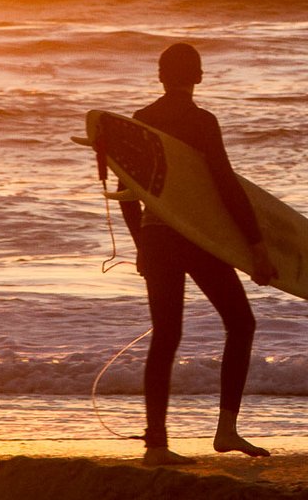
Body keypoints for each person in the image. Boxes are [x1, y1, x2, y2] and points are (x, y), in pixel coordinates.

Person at [118, 42, 277, 466]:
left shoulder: (141, 120)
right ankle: (226, 429)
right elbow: (224, 183)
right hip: (200, 239)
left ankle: (156, 445)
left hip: (156, 237)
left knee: (166, 337)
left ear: (159, 76)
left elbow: (127, 192)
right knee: (241, 323)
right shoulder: (203, 121)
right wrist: (256, 246)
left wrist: (140, 246)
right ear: (200, 77)